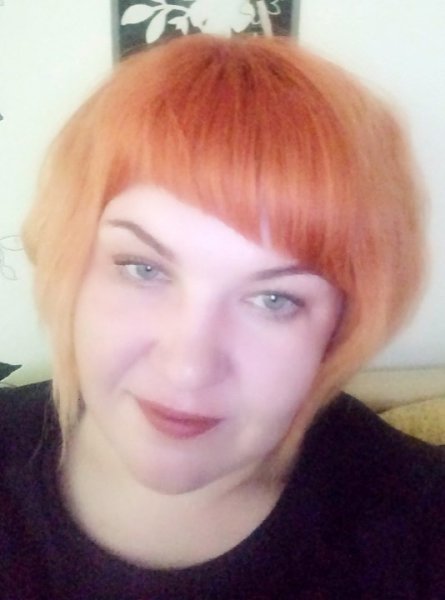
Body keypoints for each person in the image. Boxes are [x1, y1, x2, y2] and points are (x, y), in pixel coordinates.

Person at [0, 33, 444, 599]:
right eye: (143, 268)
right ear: (72, 264)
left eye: (274, 300)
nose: (188, 368)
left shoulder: (419, 526)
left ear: (341, 327)